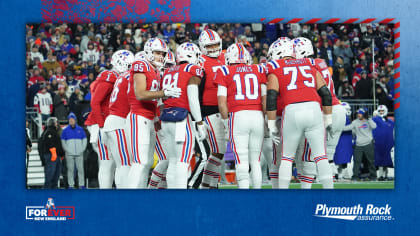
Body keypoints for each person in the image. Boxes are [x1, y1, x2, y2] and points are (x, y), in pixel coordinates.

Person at [266, 37, 334, 189]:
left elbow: (271, 97)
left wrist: (271, 124)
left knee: (286, 157)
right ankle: (330, 193)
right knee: (321, 157)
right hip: (315, 110)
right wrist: (328, 120)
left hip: (292, 110)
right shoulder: (310, 64)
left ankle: (282, 197)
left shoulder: (275, 68)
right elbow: (326, 94)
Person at [126, 38, 181, 189]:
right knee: (139, 162)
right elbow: (140, 94)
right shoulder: (141, 64)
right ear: (149, 51)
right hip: (138, 116)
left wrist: (157, 118)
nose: (161, 57)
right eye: (158, 53)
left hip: (149, 118)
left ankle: (142, 196)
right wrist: (164, 93)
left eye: (163, 54)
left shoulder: (155, 71)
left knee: (148, 162)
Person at [293, 37, 347, 184]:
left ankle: (308, 182)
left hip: (323, 110)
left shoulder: (307, 65)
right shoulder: (321, 63)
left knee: (310, 152)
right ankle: (330, 180)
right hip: (338, 110)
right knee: (327, 155)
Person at [215, 43, 267, 189]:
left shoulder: (225, 70)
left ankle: (243, 193)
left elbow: (221, 102)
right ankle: (257, 194)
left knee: (241, 160)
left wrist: (226, 123)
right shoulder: (258, 68)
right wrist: (266, 120)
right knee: (255, 160)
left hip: (238, 116)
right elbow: (265, 98)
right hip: (257, 115)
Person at [159, 42, 206, 188]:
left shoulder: (168, 71)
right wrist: (199, 122)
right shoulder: (192, 68)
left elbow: (161, 100)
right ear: (191, 55)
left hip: (166, 118)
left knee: (173, 160)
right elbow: (192, 97)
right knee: (182, 160)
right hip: (181, 119)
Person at [84, 50, 132, 189]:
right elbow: (95, 102)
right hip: (102, 123)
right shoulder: (110, 75)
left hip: (105, 122)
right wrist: (101, 125)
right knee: (108, 162)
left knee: (113, 162)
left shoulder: (112, 75)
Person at [198, 29, 228, 189]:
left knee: (219, 152)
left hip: (225, 109)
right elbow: (197, 90)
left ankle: (210, 185)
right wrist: (200, 117)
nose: (213, 48)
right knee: (217, 151)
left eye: (216, 44)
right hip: (209, 110)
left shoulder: (225, 57)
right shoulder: (200, 62)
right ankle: (207, 186)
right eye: (209, 46)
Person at [102, 50, 134, 188]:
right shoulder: (129, 77)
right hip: (118, 122)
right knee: (125, 163)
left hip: (111, 121)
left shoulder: (121, 77)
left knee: (121, 164)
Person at [343, 108, 377, 181]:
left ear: (364, 114)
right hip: (358, 145)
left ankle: (373, 176)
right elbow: (347, 128)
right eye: (358, 113)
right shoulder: (355, 122)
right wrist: (337, 128)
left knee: (370, 161)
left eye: (360, 113)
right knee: (356, 161)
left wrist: (369, 119)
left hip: (368, 144)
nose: (358, 114)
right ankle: (355, 176)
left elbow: (374, 126)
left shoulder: (369, 121)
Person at [61, 113, 87, 189]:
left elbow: (84, 140)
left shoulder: (80, 129)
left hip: (79, 153)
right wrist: (67, 150)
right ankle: (71, 185)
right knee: (70, 170)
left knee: (81, 169)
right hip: (69, 154)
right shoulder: (65, 130)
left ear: (75, 120)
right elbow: (63, 142)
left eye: (72, 119)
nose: (71, 121)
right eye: (70, 120)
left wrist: (82, 149)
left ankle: (81, 184)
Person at [39, 117, 64, 189]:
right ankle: (47, 190)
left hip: (56, 156)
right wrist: (54, 153)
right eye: (56, 122)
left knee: (56, 175)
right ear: (54, 123)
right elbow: (50, 143)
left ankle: (53, 190)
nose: (57, 124)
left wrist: (61, 154)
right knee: (50, 175)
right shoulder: (49, 132)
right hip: (52, 156)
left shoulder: (53, 131)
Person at [372, 105, 394, 181]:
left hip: (388, 143)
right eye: (380, 111)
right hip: (379, 143)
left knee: (387, 160)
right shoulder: (375, 119)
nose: (381, 112)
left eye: (382, 111)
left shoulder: (390, 121)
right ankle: (380, 175)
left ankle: (386, 175)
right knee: (380, 160)